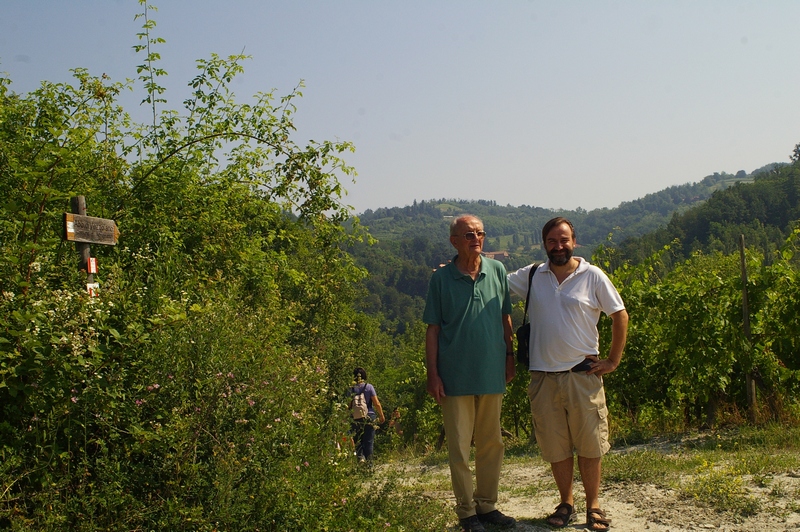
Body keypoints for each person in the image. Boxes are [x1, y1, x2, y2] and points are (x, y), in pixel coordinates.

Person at [507, 217, 628, 532]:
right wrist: (460, 270)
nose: (558, 247)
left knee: (590, 445)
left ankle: (593, 505)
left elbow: (620, 315)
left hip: (581, 376)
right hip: (543, 378)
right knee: (556, 446)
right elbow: (493, 283)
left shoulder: (593, 276)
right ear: (544, 243)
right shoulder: (533, 276)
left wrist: (613, 360)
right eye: (552, 241)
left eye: (564, 240)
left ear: (574, 241)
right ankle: (566, 502)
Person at [423, 214, 517, 532]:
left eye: (480, 233)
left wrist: (510, 356)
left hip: (491, 371)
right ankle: (466, 512)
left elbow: (506, 319)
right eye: (468, 234)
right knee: (460, 447)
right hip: (454, 376)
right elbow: (433, 330)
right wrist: (432, 374)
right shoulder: (441, 279)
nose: (476, 238)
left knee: (492, 442)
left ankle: (487, 505)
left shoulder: (497, 271)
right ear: (454, 241)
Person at [349, 367, 385, 462]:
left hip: (355, 417)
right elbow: (376, 403)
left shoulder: (351, 389)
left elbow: (348, 405)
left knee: (357, 440)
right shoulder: (369, 387)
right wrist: (381, 415)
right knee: (368, 441)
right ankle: (369, 465)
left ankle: (360, 459)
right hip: (369, 416)